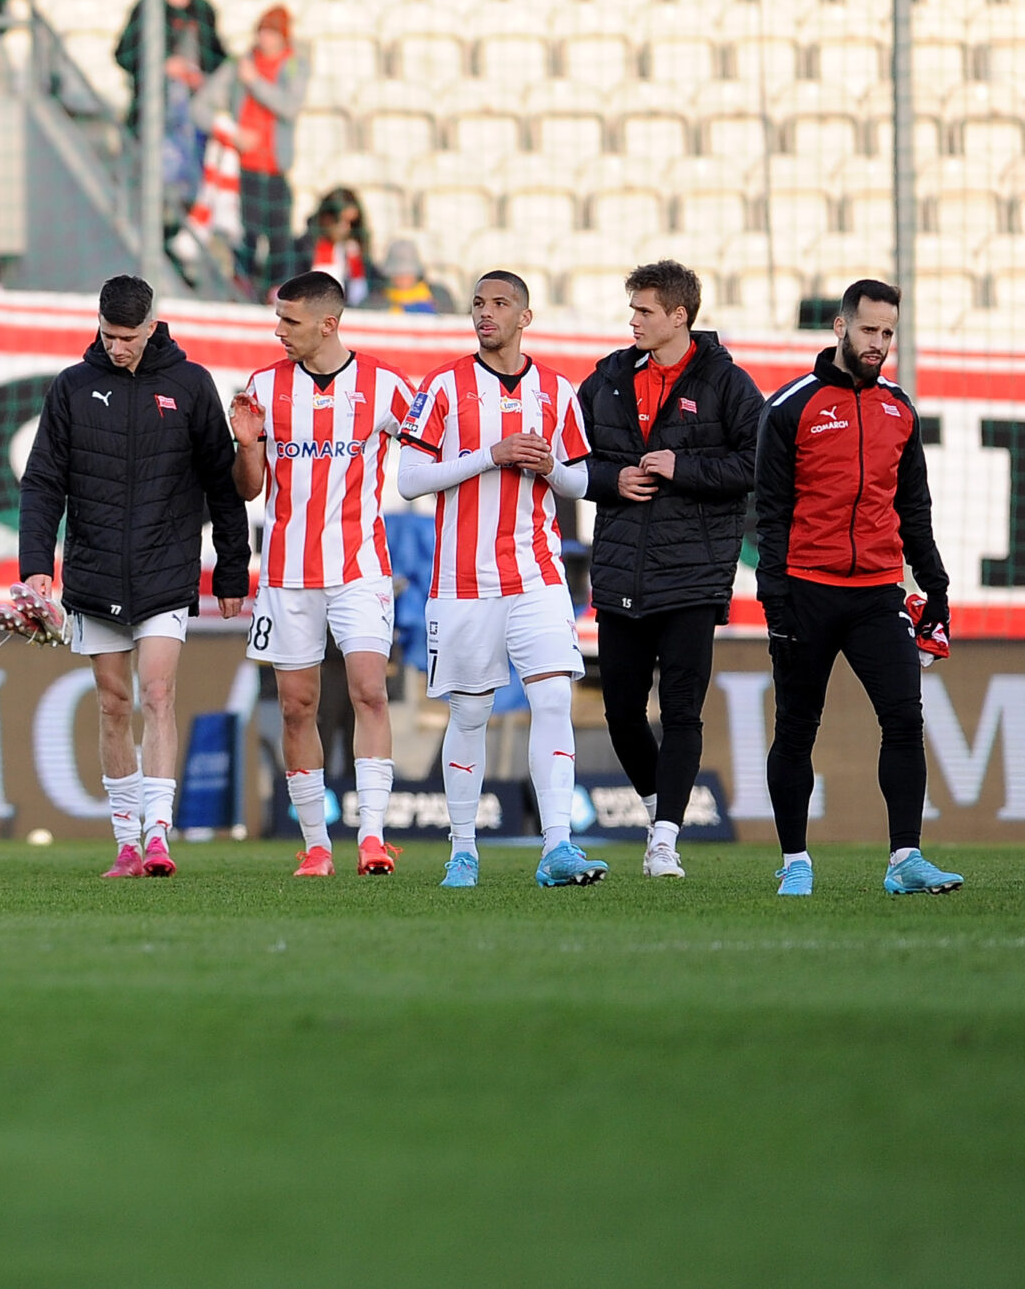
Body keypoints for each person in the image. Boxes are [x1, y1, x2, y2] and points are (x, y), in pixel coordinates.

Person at [16, 275, 250, 879]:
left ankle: (159, 837)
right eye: (107, 335)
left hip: (165, 568)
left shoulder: (192, 385)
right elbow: (42, 481)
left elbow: (223, 489)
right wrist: (37, 568)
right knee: (114, 703)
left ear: (151, 326)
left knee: (159, 694)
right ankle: (125, 841)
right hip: (93, 573)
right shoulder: (72, 386)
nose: (117, 347)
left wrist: (231, 569)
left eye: (127, 336)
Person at [396, 271, 604, 891]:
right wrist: (493, 453)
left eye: (499, 304)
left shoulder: (558, 390)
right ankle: (463, 849)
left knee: (552, 699)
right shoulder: (443, 386)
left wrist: (550, 469)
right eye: (478, 304)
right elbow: (409, 479)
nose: (485, 314)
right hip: (461, 579)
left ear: (525, 317)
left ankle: (558, 845)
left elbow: (580, 480)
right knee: (469, 711)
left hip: (537, 572)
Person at [756, 279, 962, 897]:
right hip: (806, 592)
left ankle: (905, 859)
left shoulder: (900, 408)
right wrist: (776, 600)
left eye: (889, 333)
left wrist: (937, 587)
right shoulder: (790, 406)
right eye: (869, 330)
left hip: (878, 593)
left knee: (904, 719)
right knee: (796, 729)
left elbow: (914, 510)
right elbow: (767, 512)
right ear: (840, 328)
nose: (879, 343)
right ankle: (795, 860)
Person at [576, 261, 766, 882]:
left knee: (682, 712)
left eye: (644, 311)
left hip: (693, 577)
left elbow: (758, 464)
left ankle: (662, 841)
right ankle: (666, 813)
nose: (633, 320)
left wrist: (680, 468)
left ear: (680, 316)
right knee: (622, 714)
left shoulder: (728, 383)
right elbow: (571, 459)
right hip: (621, 573)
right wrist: (611, 479)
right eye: (632, 310)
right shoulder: (605, 378)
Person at [228, 271, 417, 877]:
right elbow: (249, 488)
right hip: (286, 571)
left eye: (289, 321)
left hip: (359, 566)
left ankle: (373, 837)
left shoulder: (385, 386)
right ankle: (316, 844)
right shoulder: (263, 387)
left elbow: (427, 459)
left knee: (368, 690)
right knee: (295, 706)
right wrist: (248, 446)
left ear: (327, 323)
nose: (278, 330)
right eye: (277, 319)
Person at [198, 6, 308, 289]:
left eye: (273, 33)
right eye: (262, 32)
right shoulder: (239, 65)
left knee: (279, 239)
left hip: (274, 168)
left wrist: (255, 82)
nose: (266, 40)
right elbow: (201, 107)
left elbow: (289, 106)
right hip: (241, 169)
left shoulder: (294, 66)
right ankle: (241, 289)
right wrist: (232, 133)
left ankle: (276, 293)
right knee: (244, 238)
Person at [113, 0, 225, 200]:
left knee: (191, 190)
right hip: (155, 116)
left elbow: (218, 58)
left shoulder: (203, 11)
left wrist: (202, 77)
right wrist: (160, 65)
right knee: (153, 189)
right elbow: (123, 54)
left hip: (195, 117)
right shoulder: (148, 8)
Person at [294, 186, 370, 307]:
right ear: (327, 218)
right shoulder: (302, 247)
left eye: (352, 223)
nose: (347, 228)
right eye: (343, 221)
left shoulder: (353, 251)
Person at [364, 239, 452, 315]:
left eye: (408, 273)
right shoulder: (375, 302)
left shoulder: (439, 296)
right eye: (397, 273)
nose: (403, 277)